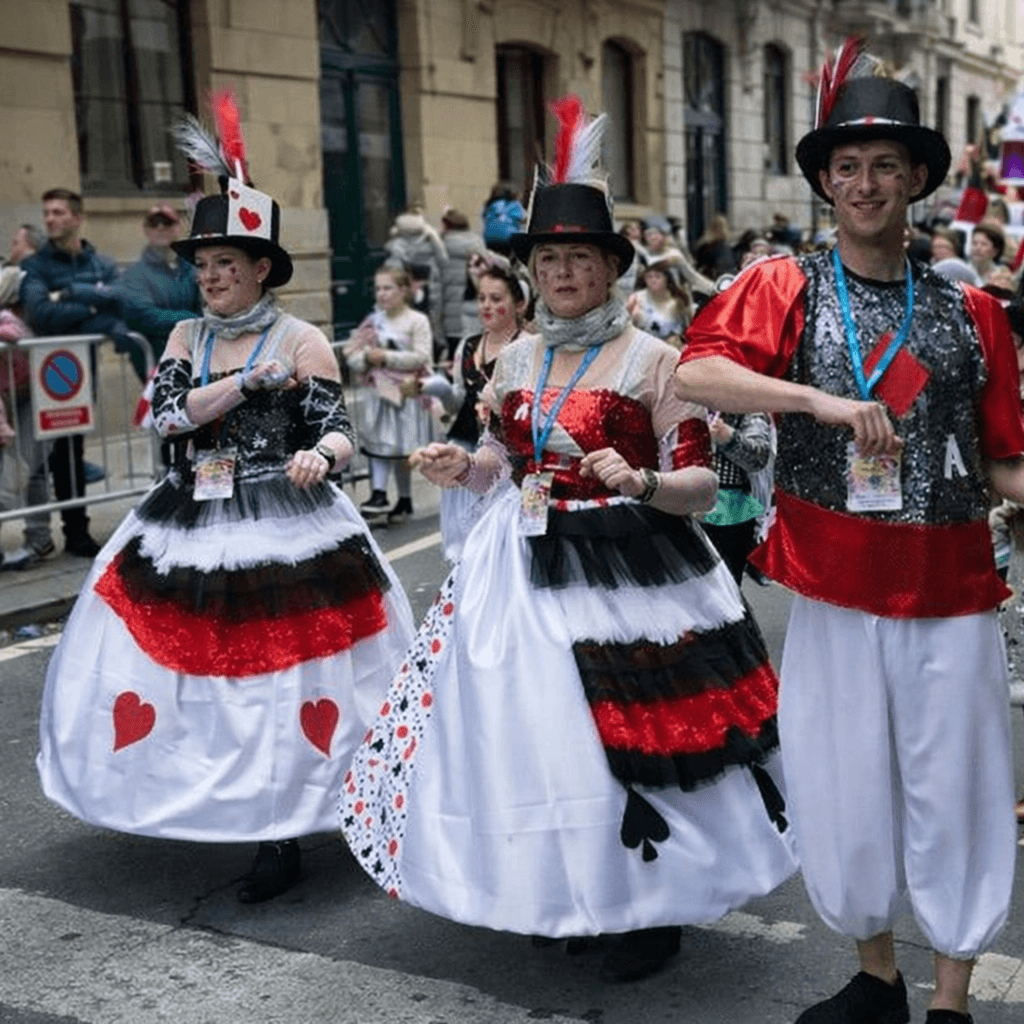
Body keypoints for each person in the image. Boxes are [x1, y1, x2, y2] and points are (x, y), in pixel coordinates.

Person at [339, 97, 796, 986]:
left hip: (638, 565)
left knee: (629, 735)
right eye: (546, 259)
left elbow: (703, 485)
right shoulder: (512, 361)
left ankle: (646, 904)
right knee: (533, 732)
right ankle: (557, 885)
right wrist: (459, 467)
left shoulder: (656, 360)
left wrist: (645, 484)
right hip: (524, 559)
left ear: (610, 267)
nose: (559, 273)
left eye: (576, 257)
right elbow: (503, 464)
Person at [676, 59, 1024, 1024]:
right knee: (841, 784)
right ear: (825, 182)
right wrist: (815, 401)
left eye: (884, 164)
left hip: (951, 590)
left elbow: (1004, 462)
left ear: (917, 178)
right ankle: (876, 980)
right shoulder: (783, 286)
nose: (865, 183)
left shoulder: (974, 312)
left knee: (957, 786)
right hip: (832, 586)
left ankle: (949, 999)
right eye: (848, 166)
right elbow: (698, 372)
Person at [36, 149, 415, 905]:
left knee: (281, 680)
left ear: (260, 269)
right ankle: (211, 795)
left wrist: (319, 455)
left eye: (225, 263)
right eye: (204, 263)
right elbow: (170, 416)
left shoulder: (302, 339)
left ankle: (280, 828)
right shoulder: (185, 338)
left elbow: (339, 429)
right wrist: (241, 382)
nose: (209, 277)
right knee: (185, 674)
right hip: (192, 514)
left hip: (286, 518)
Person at [18, 188, 136, 557]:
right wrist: (93, 309)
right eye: (46, 212)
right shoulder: (35, 266)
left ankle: (77, 533)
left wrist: (71, 294)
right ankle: (49, 530)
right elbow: (41, 315)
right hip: (47, 368)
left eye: (57, 212)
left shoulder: (99, 262)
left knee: (73, 448)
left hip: (81, 368)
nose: (49, 219)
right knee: (50, 453)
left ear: (76, 217)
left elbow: (121, 302)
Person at [427, 258, 526, 561]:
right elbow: (459, 399)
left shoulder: (528, 347)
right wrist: (437, 392)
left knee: (499, 548)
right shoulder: (467, 346)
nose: (486, 306)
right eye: (481, 298)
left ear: (519, 304)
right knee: (462, 546)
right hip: (465, 445)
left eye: (496, 299)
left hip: (505, 459)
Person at [344, 265, 433, 523]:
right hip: (377, 394)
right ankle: (379, 494)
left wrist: (386, 356)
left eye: (388, 288)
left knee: (399, 449)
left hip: (405, 395)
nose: (382, 294)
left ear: (404, 290)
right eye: (378, 288)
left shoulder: (417, 321)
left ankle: (403, 498)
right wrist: (364, 359)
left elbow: (421, 356)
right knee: (378, 445)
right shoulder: (372, 322)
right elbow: (353, 354)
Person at [0, 223, 57, 569]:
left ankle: (40, 538)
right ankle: (39, 538)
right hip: (12, 394)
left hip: (37, 391)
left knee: (26, 469)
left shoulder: (31, 279)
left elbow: (17, 328)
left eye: (16, 240)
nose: (11, 244)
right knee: (20, 470)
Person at [117, 203, 201, 367]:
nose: (160, 227)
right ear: (146, 229)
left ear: (179, 227)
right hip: (155, 362)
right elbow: (144, 316)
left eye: (167, 222)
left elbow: (209, 308)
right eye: (154, 223)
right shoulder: (133, 275)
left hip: (197, 356)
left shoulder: (194, 270)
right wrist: (193, 319)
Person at [701, 412, 773, 585]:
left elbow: (758, 458)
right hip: (679, 505)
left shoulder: (745, 404)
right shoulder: (680, 400)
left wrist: (728, 437)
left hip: (728, 509)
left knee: (724, 590)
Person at [384, 210, 447, 347]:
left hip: (406, 289)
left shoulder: (396, 244)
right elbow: (443, 260)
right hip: (430, 287)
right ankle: (432, 347)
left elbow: (391, 270)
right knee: (430, 321)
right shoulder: (431, 240)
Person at [438, 208, 485, 359]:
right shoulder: (477, 243)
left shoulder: (441, 246)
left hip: (448, 312)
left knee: (452, 356)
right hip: (472, 311)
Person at [625, 258, 691, 347]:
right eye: (649, 277)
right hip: (646, 345)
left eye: (657, 276)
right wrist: (633, 319)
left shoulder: (679, 301)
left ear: (666, 279)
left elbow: (689, 329)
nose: (653, 280)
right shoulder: (636, 298)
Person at [481, 182, 525, 256]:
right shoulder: (515, 204)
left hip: (490, 238)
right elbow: (523, 219)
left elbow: (483, 218)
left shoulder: (490, 204)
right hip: (509, 238)